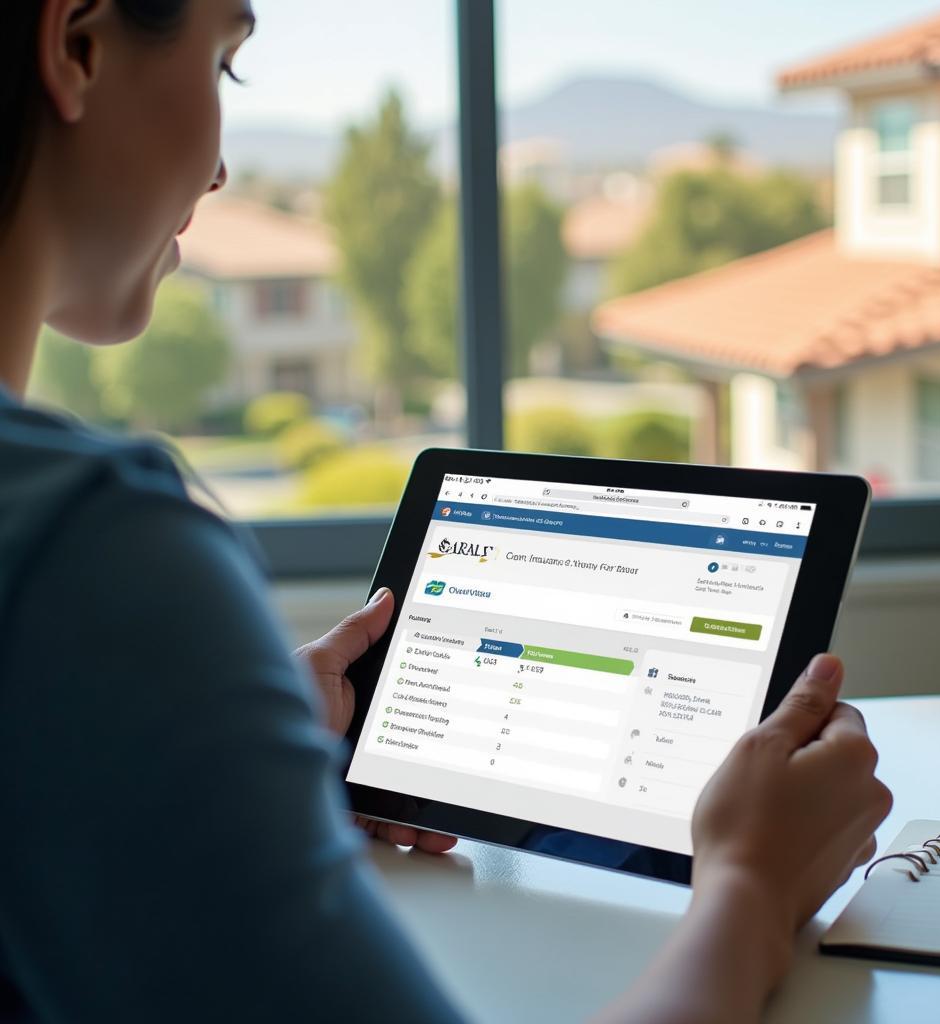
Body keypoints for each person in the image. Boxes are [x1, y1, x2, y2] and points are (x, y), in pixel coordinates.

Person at [0, 3, 892, 1022]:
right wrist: (750, 890)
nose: (218, 171)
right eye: (225, 63)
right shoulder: (92, 548)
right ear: (77, 46)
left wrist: (218, 769)